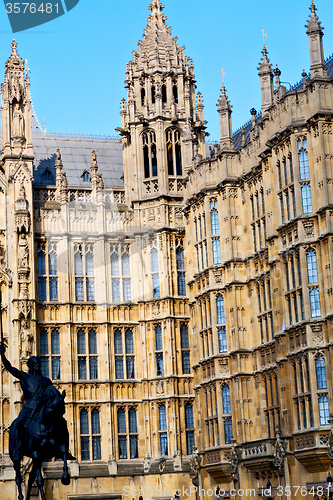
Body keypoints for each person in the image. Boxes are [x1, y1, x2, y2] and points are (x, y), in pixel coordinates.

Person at [0, 344, 52, 462]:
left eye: (38, 364)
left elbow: (52, 393)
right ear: (31, 366)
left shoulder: (46, 381)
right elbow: (11, 369)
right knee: (18, 423)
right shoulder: (25, 377)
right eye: (35, 364)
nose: (38, 366)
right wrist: (3, 356)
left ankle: (63, 449)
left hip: (42, 409)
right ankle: (17, 450)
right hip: (28, 409)